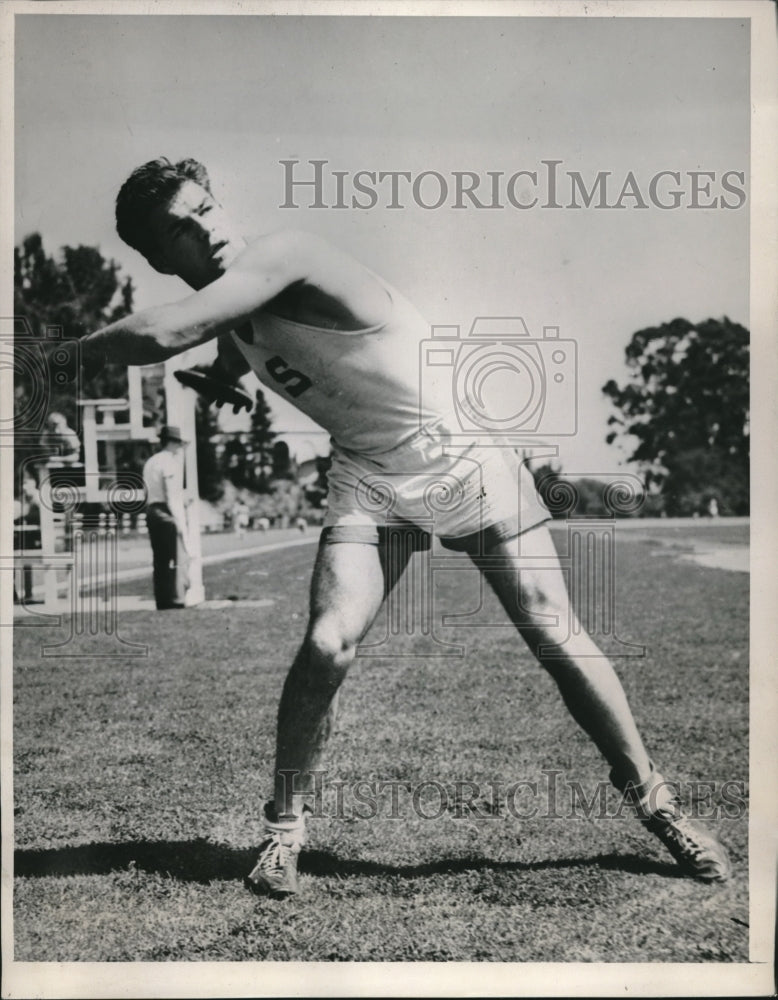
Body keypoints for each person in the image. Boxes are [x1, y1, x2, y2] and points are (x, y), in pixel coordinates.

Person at [81, 157, 731, 895]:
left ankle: (661, 806)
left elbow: (170, 332)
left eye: (205, 209)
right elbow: (237, 331)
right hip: (370, 475)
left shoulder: (282, 254)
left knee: (555, 631)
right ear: (159, 257)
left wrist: (54, 358)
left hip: (463, 456)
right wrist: (228, 378)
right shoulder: (239, 300)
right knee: (327, 644)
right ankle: (284, 831)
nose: (206, 229)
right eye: (180, 231)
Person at [142, 424, 189, 610]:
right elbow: (170, 493)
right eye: (177, 443)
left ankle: (162, 599)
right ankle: (176, 598)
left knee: (160, 559)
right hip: (165, 511)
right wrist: (179, 518)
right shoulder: (169, 462)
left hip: (151, 509)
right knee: (176, 557)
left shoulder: (151, 462)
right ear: (171, 442)